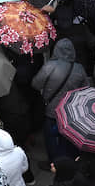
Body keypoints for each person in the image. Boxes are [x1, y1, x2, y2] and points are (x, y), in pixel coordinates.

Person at [31, 39, 90, 169]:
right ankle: (68, 159)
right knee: (67, 136)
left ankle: (53, 163)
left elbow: (36, 84)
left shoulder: (49, 67)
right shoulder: (79, 68)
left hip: (51, 110)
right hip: (70, 111)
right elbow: (86, 89)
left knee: (51, 137)